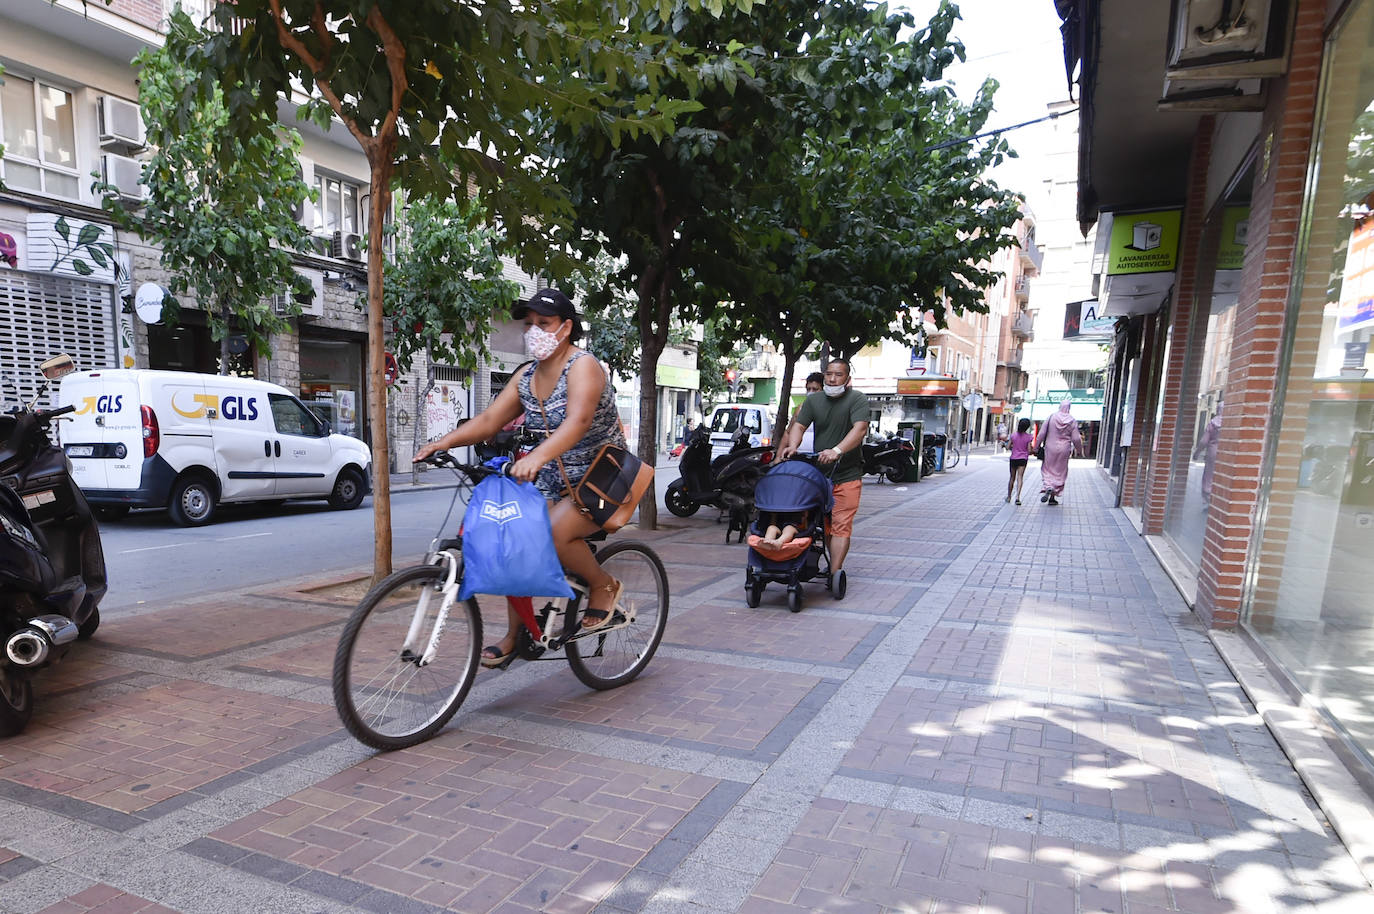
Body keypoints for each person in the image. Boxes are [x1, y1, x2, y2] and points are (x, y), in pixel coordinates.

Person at [414, 288, 625, 668]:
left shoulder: (584, 366)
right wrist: (440, 442)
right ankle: (518, 634)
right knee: (514, 535)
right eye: (529, 324)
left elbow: (577, 421)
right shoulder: (526, 376)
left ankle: (602, 584)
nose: (534, 331)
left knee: (552, 533)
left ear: (566, 328)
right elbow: (489, 421)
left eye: (543, 323)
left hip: (602, 476)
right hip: (553, 475)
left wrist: (538, 455)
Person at [776, 359, 869, 573]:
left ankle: (834, 573)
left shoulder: (857, 399)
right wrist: (792, 446)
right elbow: (799, 425)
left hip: (847, 475)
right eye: (829, 374)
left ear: (847, 379)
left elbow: (860, 429)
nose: (832, 378)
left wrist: (837, 451)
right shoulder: (814, 401)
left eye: (838, 375)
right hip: (817, 476)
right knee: (823, 528)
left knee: (840, 526)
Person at [1035, 398, 1082, 505]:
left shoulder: (1052, 417)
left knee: (1048, 469)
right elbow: (1076, 439)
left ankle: (1048, 486)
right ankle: (1052, 496)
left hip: (1050, 447)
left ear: (1060, 406)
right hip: (1064, 449)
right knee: (1060, 472)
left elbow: (1041, 433)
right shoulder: (1072, 420)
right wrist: (1079, 450)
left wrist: (1036, 446)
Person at [1192, 401, 1223, 502]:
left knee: (1209, 476)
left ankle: (1208, 497)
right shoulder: (1231, 423)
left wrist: (1196, 453)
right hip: (1226, 455)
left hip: (1212, 453)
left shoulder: (1213, 423)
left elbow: (1204, 441)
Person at [1006, 417, 1034, 505]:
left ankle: (1009, 496)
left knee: (1012, 478)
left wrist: (1014, 448)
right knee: (1020, 477)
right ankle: (1017, 497)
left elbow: (1008, 447)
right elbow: (1029, 450)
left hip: (1013, 458)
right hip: (1023, 459)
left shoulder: (1013, 435)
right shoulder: (1029, 437)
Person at [796, 372, 824, 453]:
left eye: (815, 389)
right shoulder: (801, 408)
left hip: (821, 457)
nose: (811, 392)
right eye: (808, 389)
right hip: (800, 456)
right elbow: (788, 432)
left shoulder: (830, 409)